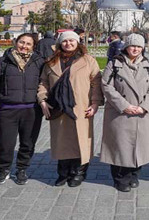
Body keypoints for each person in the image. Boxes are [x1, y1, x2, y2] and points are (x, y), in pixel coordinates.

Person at [37, 31, 102, 187]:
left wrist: (95, 103)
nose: (68, 44)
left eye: (72, 41)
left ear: (77, 42)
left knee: (81, 140)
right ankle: (63, 172)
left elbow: (96, 84)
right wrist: (42, 100)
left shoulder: (88, 61)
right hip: (58, 107)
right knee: (62, 141)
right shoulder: (51, 62)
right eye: (65, 41)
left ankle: (78, 172)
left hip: (81, 107)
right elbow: (43, 83)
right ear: (60, 43)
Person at [101, 34, 149, 192]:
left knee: (139, 147)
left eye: (139, 46)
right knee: (120, 146)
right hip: (119, 113)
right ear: (126, 47)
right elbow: (106, 86)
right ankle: (120, 178)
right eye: (132, 46)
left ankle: (134, 175)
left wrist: (145, 106)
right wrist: (124, 105)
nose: (135, 49)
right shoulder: (115, 64)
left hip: (141, 113)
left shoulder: (148, 65)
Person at [0, 33, 45, 185]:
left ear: (33, 46)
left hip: (32, 110)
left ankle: (22, 169)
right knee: (6, 143)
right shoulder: (2, 62)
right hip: (7, 109)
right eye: (21, 42)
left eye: (28, 44)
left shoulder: (39, 63)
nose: (24, 46)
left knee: (28, 142)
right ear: (15, 42)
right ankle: (4, 169)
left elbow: (45, 84)